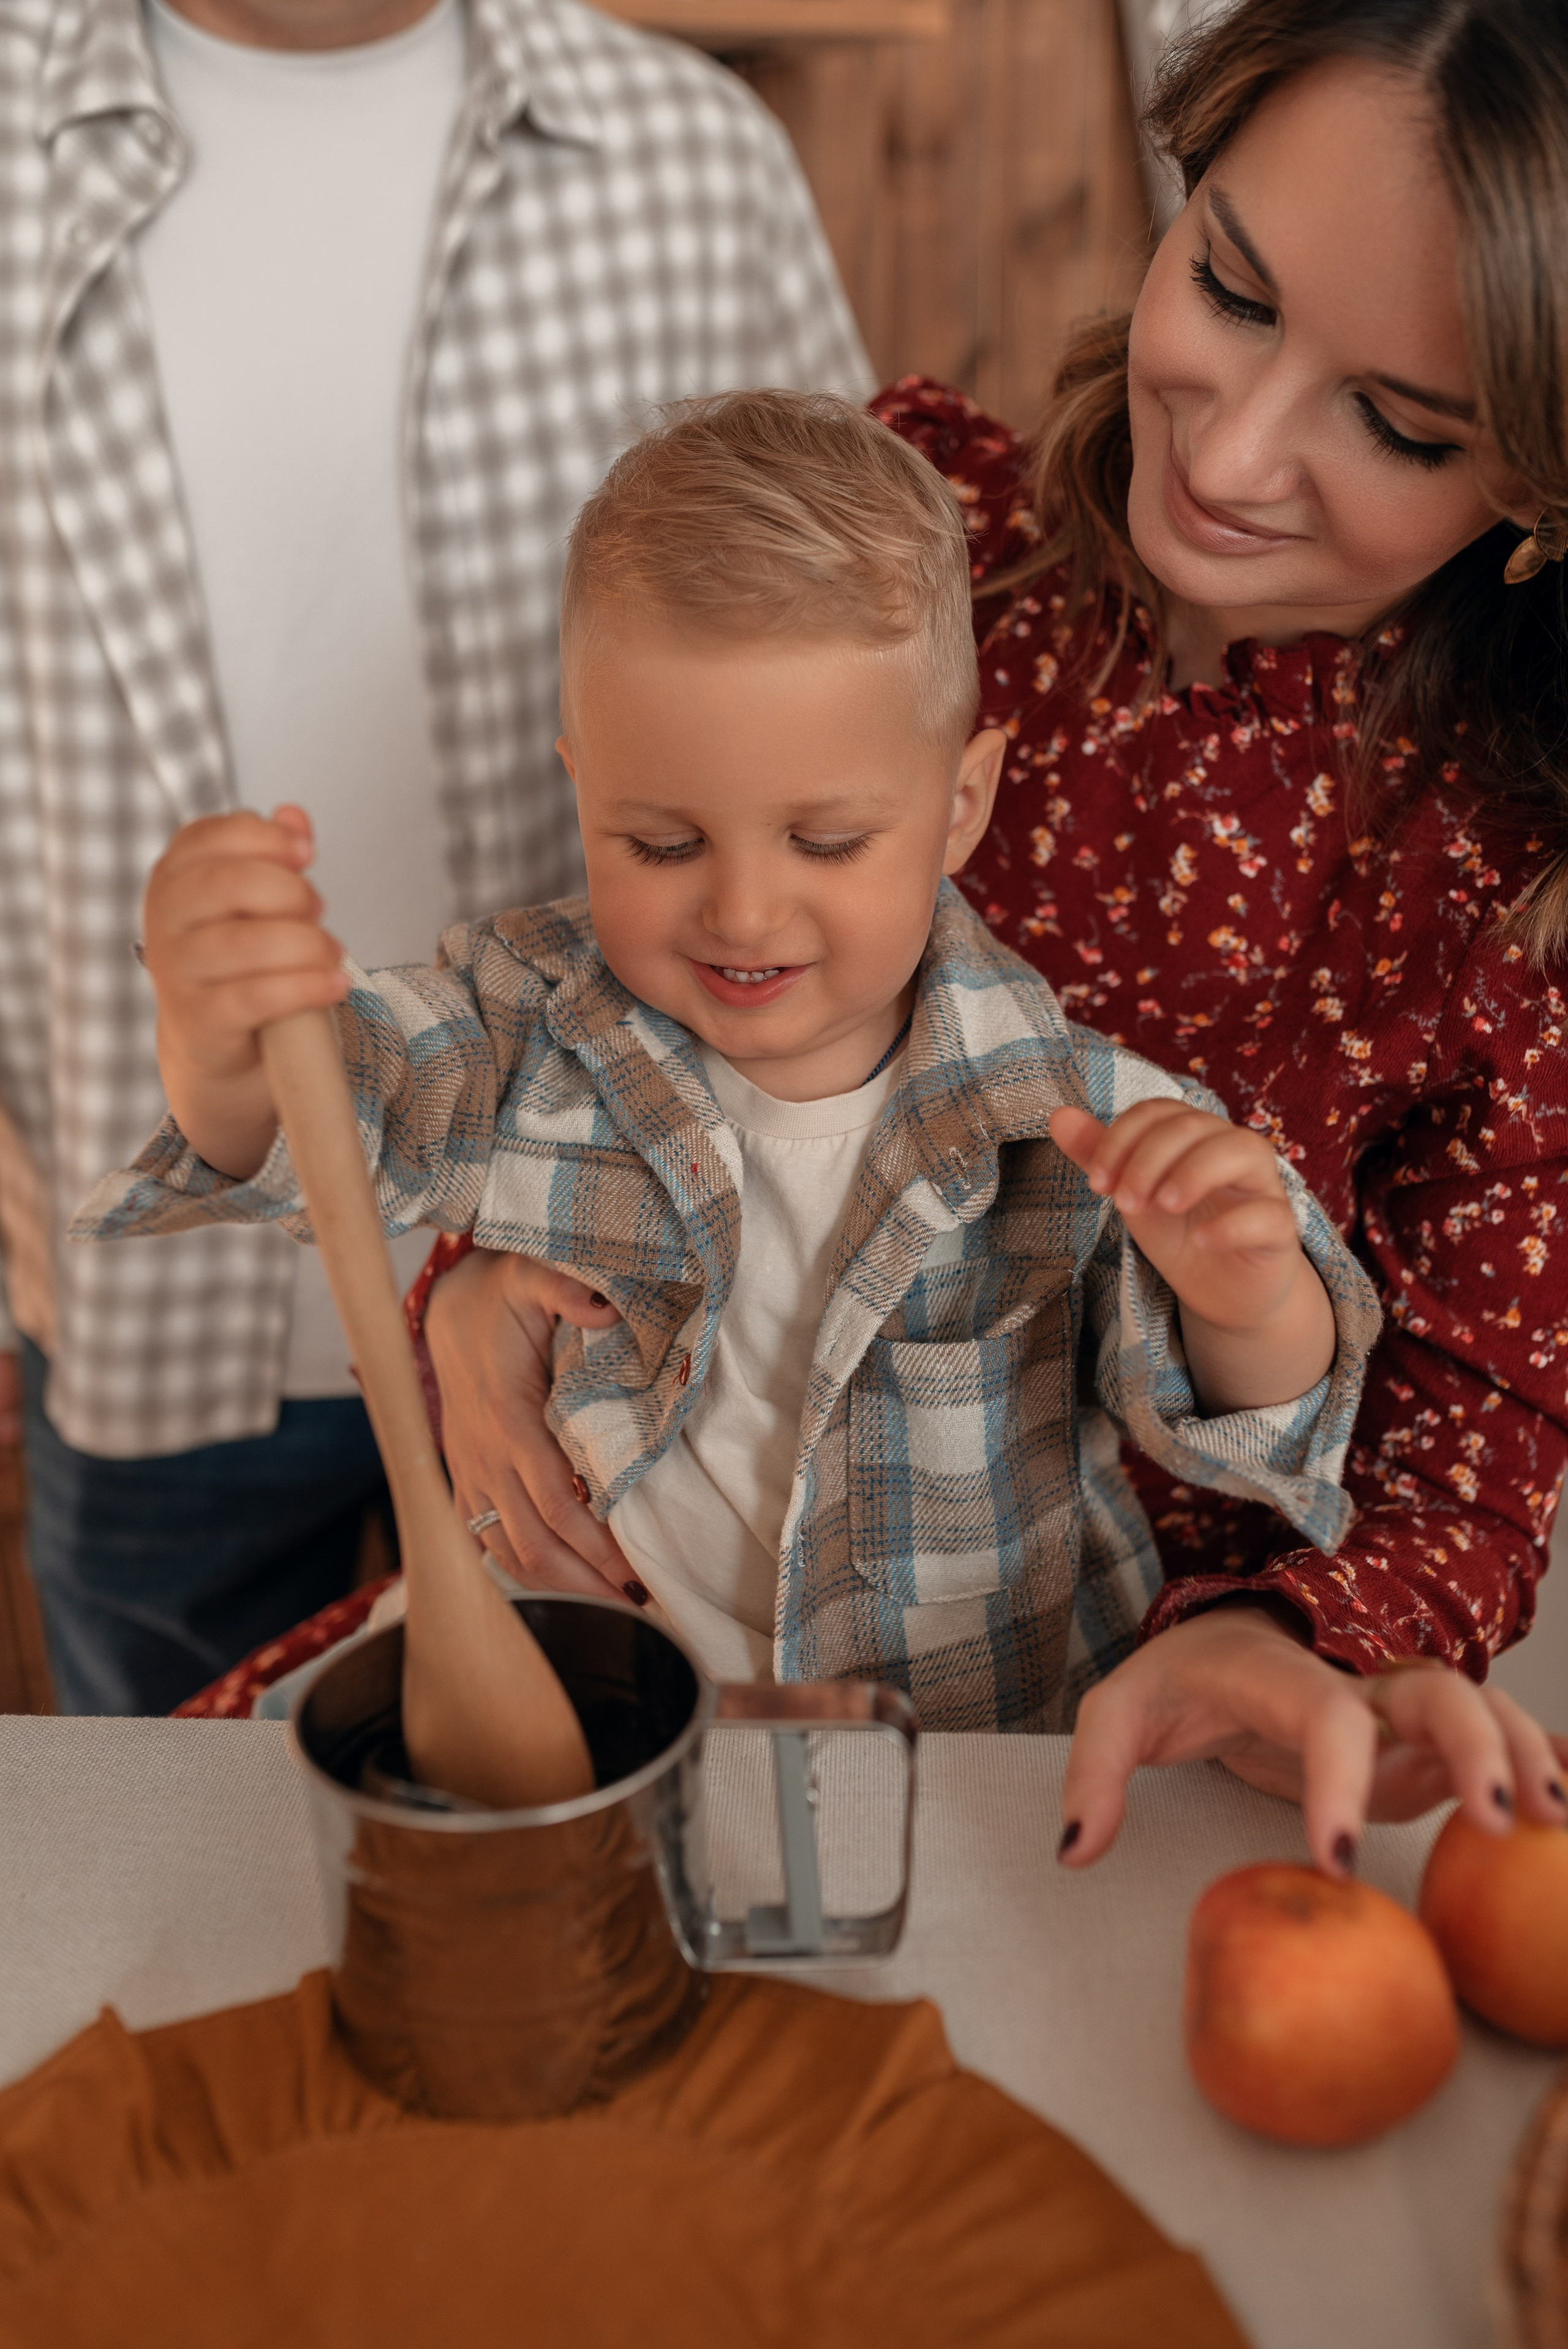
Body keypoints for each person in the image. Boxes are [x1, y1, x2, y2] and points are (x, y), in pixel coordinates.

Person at [409, 0, 1568, 1869]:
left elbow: (1471, 1456)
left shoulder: (1498, 894)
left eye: (1397, 422)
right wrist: (473, 1285)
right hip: (644, 1634)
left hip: (1086, 1757)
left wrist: (1289, 1638)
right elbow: (642, 973)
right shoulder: (918, 526)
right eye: (1238, 288)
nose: (1239, 450)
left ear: (1535, 491)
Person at [80, 388, 1510, 1862]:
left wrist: (1247, 1295)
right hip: (587, 1722)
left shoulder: (1067, 1114)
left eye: (825, 842)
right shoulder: (528, 1019)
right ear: (581, 792)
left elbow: (1255, 1430)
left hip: (959, 1777)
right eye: (659, 841)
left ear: (960, 805)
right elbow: (322, 1115)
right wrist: (216, 1028)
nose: (743, 910)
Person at [0, 0, 868, 1713]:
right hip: (152, 1322)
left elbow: (849, 691)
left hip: (617, 1325)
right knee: (202, 1901)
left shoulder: (689, 162)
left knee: (605, 1902)